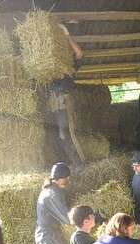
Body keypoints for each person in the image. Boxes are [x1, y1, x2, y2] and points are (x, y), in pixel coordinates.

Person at [47, 22, 85, 173]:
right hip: (53, 105)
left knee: (66, 132)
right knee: (60, 135)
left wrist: (67, 35)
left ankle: (80, 163)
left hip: (63, 102)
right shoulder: (49, 69)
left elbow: (79, 53)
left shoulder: (69, 67)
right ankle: (74, 163)